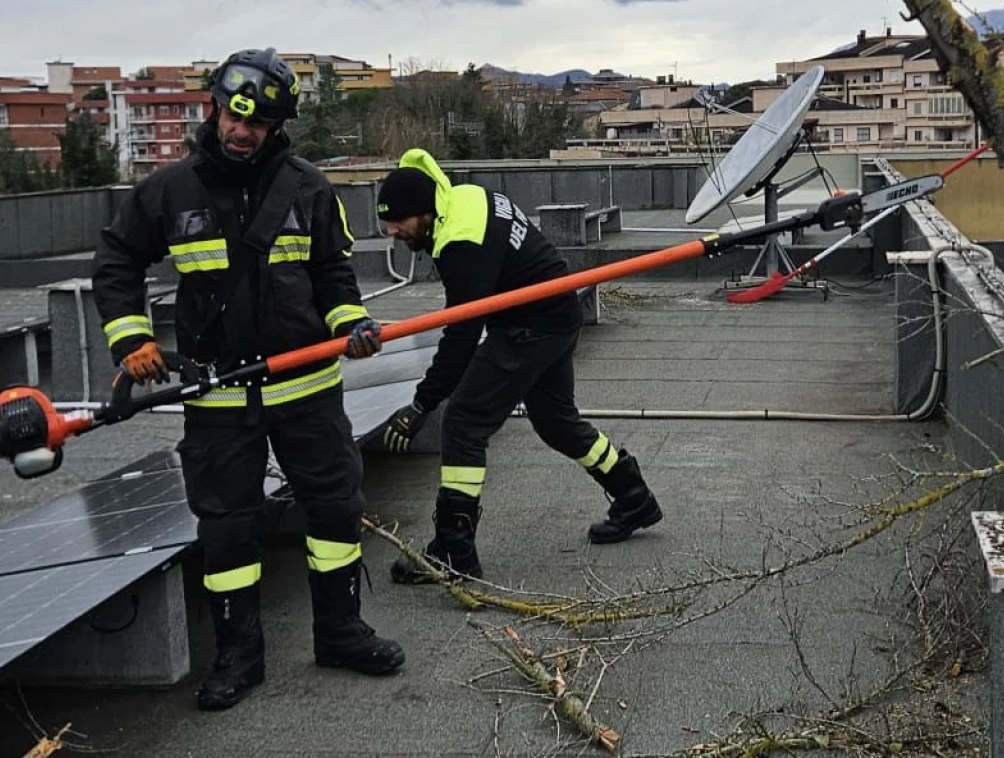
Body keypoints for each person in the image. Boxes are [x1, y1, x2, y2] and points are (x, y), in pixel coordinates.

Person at [92, 47, 403, 712]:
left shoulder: (309, 188)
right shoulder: (168, 192)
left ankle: (342, 633)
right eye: (234, 117)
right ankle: (239, 655)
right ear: (215, 108)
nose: (241, 132)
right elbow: (117, 259)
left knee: (336, 507)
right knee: (227, 526)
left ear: (275, 127)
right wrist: (132, 336)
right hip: (218, 393)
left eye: (257, 124)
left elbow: (333, 274)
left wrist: (351, 324)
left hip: (306, 385)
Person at [373, 148, 662, 583]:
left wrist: (421, 405)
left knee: (464, 422)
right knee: (556, 423)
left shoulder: (460, 243)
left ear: (425, 211)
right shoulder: (464, 195)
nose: (392, 231)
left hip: (531, 326)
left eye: (398, 222)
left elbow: (462, 335)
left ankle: (454, 547)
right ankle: (633, 495)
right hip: (556, 313)